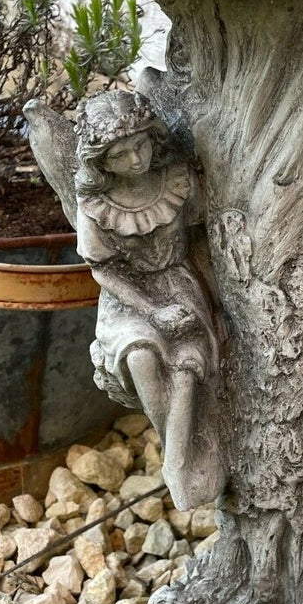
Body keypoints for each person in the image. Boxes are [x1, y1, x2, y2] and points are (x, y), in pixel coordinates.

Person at [73, 89, 224, 508]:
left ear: (152, 138)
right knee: (140, 355)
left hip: (177, 285)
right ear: (100, 162)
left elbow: (199, 240)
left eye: (139, 145)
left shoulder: (176, 181)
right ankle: (178, 453)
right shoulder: (96, 205)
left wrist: (213, 305)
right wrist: (153, 311)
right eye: (120, 155)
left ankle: (183, 461)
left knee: (188, 361)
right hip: (129, 300)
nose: (135, 160)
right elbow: (103, 270)